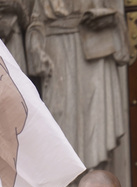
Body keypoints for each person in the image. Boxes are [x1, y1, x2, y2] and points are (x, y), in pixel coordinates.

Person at [26, 0, 128, 168]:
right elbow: (34, 21)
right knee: (60, 111)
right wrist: (36, 49)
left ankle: (95, 175)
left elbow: (115, 13)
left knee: (96, 113)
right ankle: (68, 177)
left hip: (93, 47)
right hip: (56, 49)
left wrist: (105, 17)